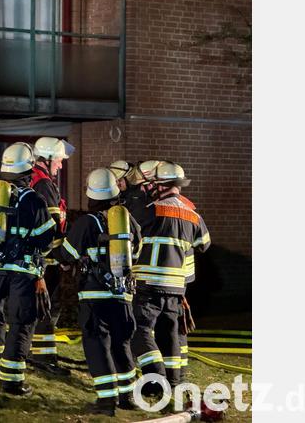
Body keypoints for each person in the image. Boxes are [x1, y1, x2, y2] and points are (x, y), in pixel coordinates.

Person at [0, 142, 56, 396]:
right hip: (23, 270)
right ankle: (12, 380)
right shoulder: (35, 201)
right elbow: (46, 240)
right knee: (21, 321)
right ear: (28, 171)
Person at [58, 168, 141, 416]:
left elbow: (66, 254)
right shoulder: (130, 222)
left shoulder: (87, 222)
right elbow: (136, 253)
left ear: (91, 195)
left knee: (97, 346)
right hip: (123, 295)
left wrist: (65, 258)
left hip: (95, 296)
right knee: (121, 345)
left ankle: (106, 402)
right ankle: (128, 397)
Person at [131, 162, 210, 395]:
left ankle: (155, 381)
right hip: (176, 288)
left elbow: (127, 233)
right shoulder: (192, 214)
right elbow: (204, 244)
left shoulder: (150, 210)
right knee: (170, 334)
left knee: (140, 330)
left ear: (159, 184)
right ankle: (174, 383)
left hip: (148, 285)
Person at [28, 137, 74, 376]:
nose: (61, 165)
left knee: (40, 307)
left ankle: (37, 353)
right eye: (58, 160)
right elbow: (53, 226)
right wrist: (62, 256)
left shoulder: (36, 180)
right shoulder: (44, 185)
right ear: (46, 159)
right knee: (47, 306)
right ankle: (44, 358)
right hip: (47, 260)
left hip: (41, 257)